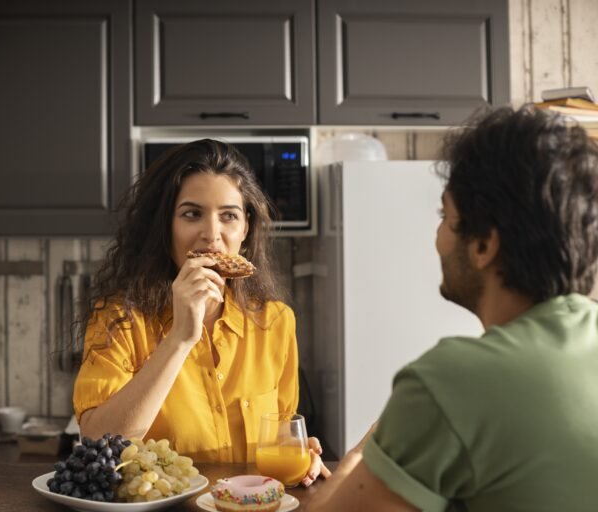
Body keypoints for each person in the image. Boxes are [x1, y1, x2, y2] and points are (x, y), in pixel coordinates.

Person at [312, 106, 598, 511]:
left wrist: (366, 449)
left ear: (483, 246)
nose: (438, 236)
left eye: (445, 217)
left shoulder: (452, 383)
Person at [73, 139, 329, 485]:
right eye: (192, 214)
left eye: (229, 216)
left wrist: (301, 459)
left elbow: (280, 440)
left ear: (245, 229)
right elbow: (97, 441)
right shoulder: (118, 318)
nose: (212, 235)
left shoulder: (276, 322)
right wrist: (180, 338)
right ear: (165, 226)